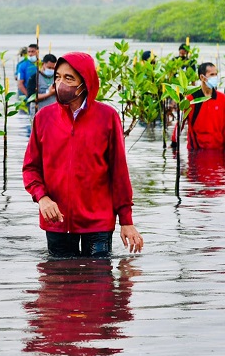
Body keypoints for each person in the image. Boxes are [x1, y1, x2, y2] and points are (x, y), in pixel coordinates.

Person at [23, 52, 143, 258]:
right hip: (56, 221)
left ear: (85, 82)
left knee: (99, 285)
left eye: (69, 78)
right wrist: (42, 197)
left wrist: (126, 221)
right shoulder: (44, 117)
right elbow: (31, 168)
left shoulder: (107, 117)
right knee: (57, 284)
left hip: (98, 222)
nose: (61, 84)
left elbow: (119, 173)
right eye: (58, 77)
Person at [182, 62, 225, 151]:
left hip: (218, 150)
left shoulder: (221, 98)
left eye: (216, 74)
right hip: (197, 150)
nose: (215, 77)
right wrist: (174, 144)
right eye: (211, 74)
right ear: (202, 77)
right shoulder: (191, 99)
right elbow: (180, 123)